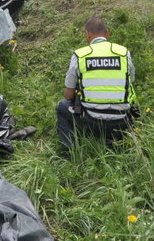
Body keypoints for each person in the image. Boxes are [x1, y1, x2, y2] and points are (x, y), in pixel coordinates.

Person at [55, 16, 137, 151]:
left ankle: (70, 152)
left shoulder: (80, 55)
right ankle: (115, 143)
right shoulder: (123, 53)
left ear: (87, 35)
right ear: (107, 33)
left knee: (62, 106)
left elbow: (68, 95)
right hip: (122, 122)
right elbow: (130, 81)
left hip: (92, 123)